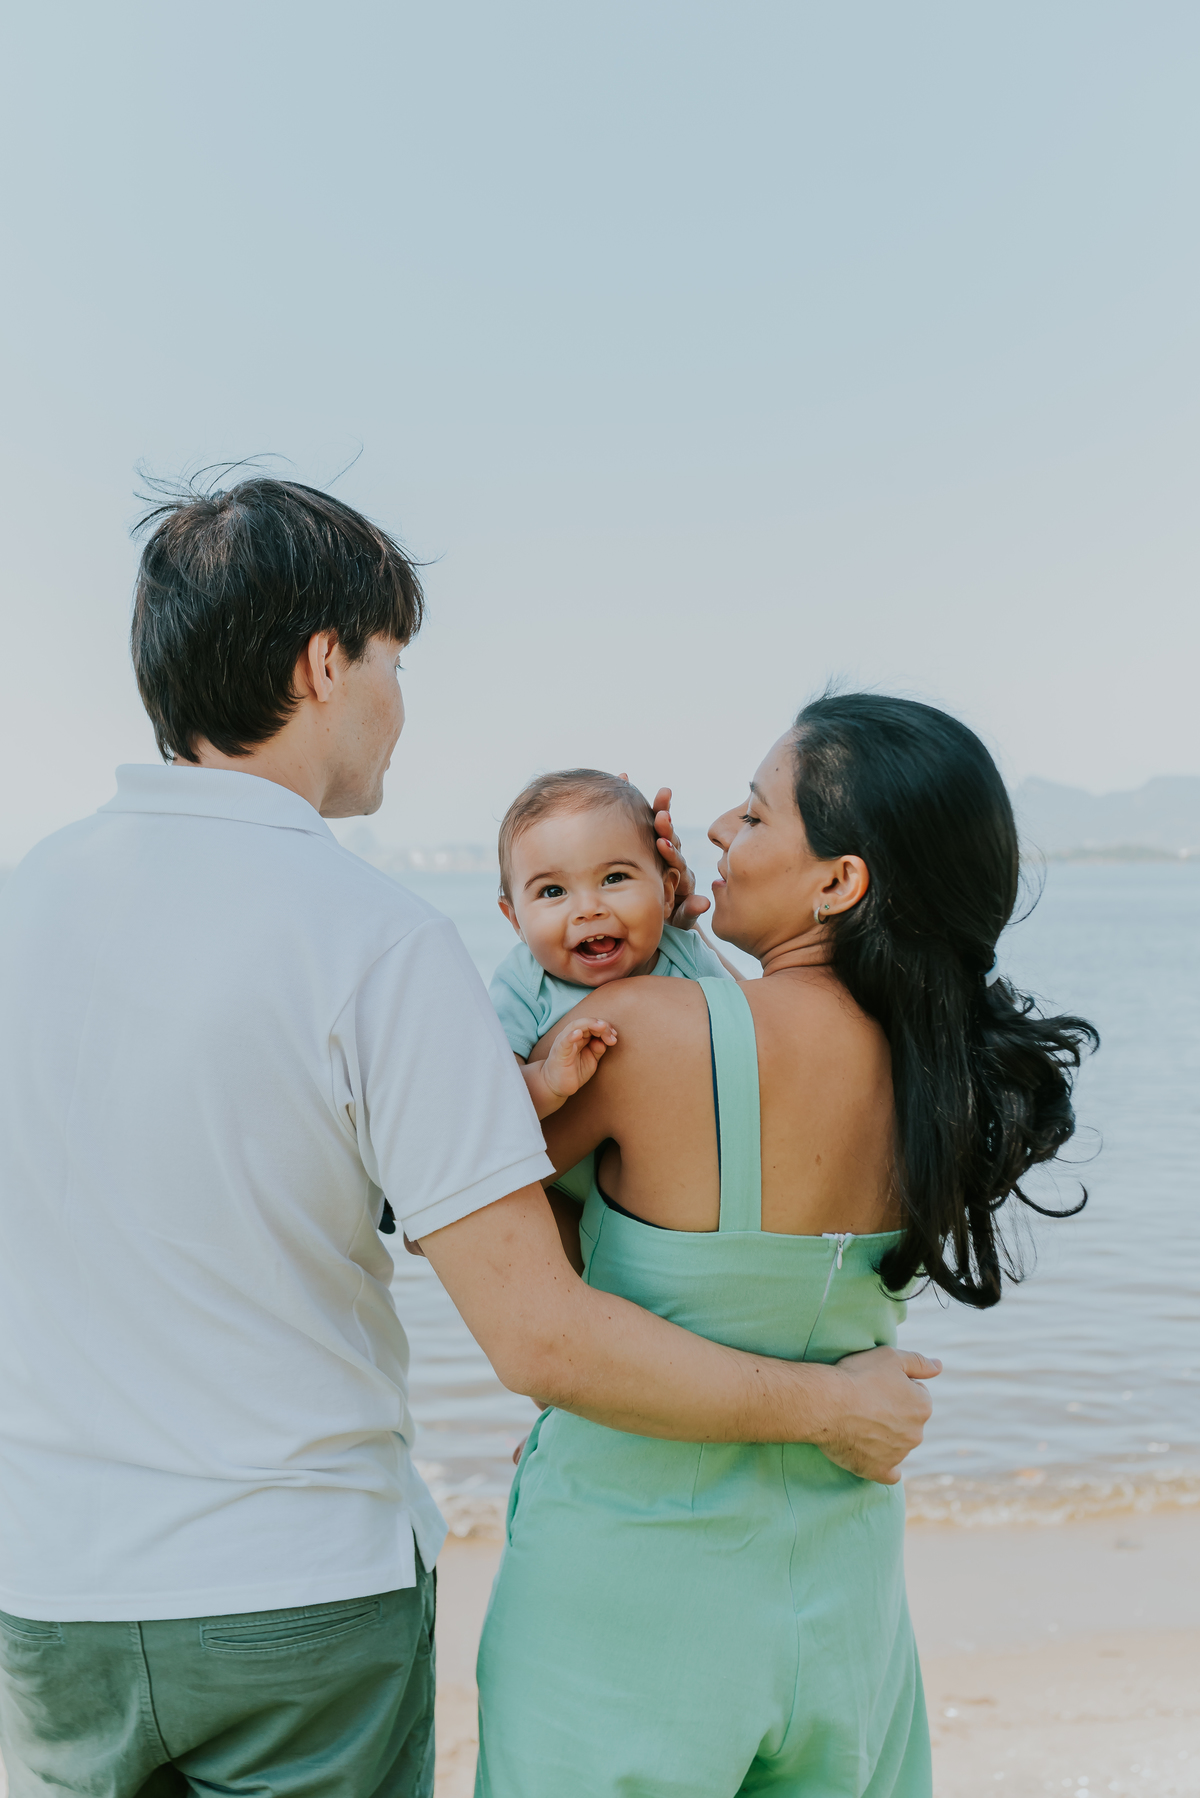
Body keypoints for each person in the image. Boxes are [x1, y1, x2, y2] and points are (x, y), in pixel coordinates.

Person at [0, 480, 939, 1798]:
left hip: (46, 1591)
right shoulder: (370, 935)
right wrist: (829, 1404)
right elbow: (540, 1334)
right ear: (326, 661)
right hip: (296, 1589)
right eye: (393, 657)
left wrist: (655, 907)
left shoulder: (27, 898)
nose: (400, 698)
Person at [475, 694, 1098, 1798]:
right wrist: (683, 936)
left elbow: (500, 1250)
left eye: (756, 818)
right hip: (844, 1603)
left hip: (634, 1595)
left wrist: (650, 952)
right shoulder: (945, 1083)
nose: (713, 831)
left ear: (840, 883)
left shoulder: (631, 1035)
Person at [488, 767, 735, 1169]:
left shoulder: (686, 954)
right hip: (568, 1186)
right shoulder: (522, 982)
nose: (588, 909)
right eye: (553, 891)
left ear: (667, 890)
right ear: (515, 919)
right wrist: (547, 1081)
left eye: (614, 877)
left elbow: (745, 1031)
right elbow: (493, 1101)